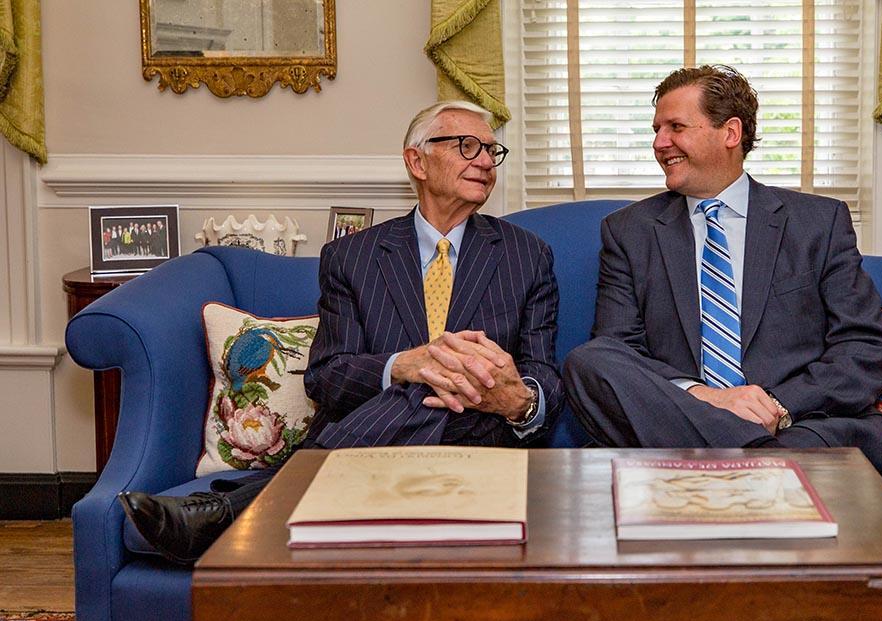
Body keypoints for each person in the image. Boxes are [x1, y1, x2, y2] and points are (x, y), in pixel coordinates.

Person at [118, 100, 564, 564]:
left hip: (476, 439)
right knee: (422, 381)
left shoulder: (525, 256)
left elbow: (543, 373)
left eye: (494, 151)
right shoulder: (352, 257)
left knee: (433, 382)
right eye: (468, 146)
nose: (487, 162)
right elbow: (326, 377)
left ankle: (231, 508)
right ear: (416, 161)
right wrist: (404, 367)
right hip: (376, 448)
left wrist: (518, 400)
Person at [562, 65, 882, 500]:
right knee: (588, 362)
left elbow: (867, 348)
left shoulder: (817, 222)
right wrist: (709, 399)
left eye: (676, 127)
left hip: (801, 425)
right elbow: (619, 351)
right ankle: (757, 463)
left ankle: (726, 471)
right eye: (657, 130)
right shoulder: (629, 231)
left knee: (805, 446)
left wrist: (778, 406)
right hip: (690, 424)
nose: (659, 144)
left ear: (731, 132)